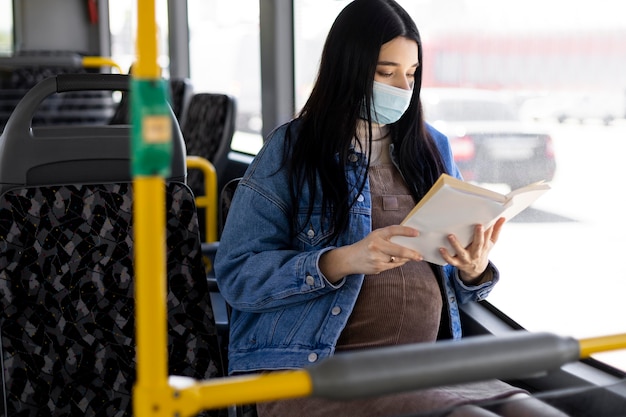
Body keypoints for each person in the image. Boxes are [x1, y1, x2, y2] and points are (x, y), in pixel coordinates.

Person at [214, 1, 569, 416]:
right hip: (317, 369)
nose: (402, 86)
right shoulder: (290, 151)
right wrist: (344, 260)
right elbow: (237, 276)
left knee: (542, 414)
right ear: (348, 68)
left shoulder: (431, 147)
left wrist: (472, 269)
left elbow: (450, 278)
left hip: (424, 367)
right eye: (386, 73)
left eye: (411, 73)